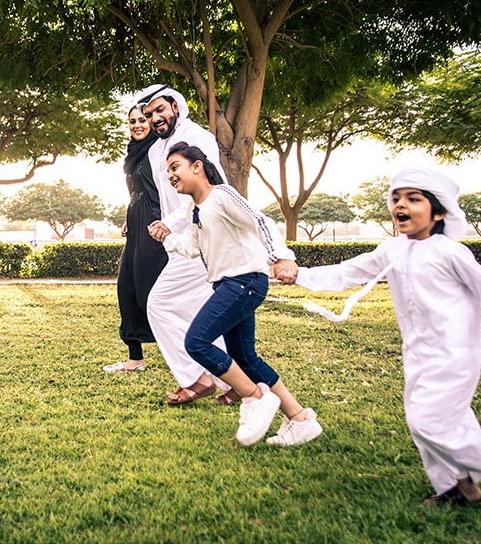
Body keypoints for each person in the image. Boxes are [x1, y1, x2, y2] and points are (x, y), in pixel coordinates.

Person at [279, 168, 481, 504]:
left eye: (413, 199)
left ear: (438, 212)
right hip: (417, 351)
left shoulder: (450, 251)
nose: (400, 205)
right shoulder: (392, 249)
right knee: (429, 422)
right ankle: (459, 488)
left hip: (455, 353)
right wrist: (299, 275)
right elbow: (347, 272)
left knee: (429, 422)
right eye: (396, 198)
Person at [149, 142, 323, 445]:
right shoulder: (195, 209)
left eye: (174, 167)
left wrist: (282, 257)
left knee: (197, 342)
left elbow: (260, 222)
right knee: (246, 359)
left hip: (243, 282)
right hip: (229, 285)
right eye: (167, 172)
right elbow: (193, 248)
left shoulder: (222, 195)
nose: (170, 176)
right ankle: (299, 418)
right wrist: (167, 238)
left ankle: (255, 397)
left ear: (197, 166)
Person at [136, 83, 230, 405]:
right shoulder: (153, 151)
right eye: (149, 114)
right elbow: (166, 198)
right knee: (202, 311)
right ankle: (234, 383)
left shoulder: (198, 138)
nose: (155, 118)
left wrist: (171, 225)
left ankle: (195, 378)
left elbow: (208, 187)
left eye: (160, 110)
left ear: (176, 106)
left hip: (203, 232)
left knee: (159, 304)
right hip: (179, 237)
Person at [103, 105, 166, 372]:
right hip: (137, 222)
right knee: (126, 287)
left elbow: (164, 192)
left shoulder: (158, 151)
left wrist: (159, 221)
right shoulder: (134, 153)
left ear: (151, 122)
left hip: (156, 224)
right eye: (132, 121)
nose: (137, 125)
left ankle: (189, 352)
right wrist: (130, 218)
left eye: (142, 120)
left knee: (155, 291)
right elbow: (136, 192)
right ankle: (135, 357)